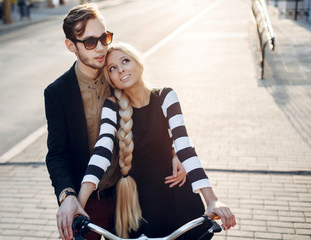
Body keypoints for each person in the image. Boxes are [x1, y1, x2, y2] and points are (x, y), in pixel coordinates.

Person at [44, 4, 186, 240]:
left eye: (104, 37)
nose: (101, 47)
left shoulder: (119, 75)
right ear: (71, 46)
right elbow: (57, 154)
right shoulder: (57, 93)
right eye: (90, 42)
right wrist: (67, 196)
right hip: (87, 201)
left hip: (131, 194)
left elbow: (152, 114)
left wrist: (173, 150)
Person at [78, 42, 237, 239]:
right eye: (112, 68)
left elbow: (183, 144)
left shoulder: (165, 96)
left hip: (175, 198)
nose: (120, 70)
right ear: (110, 78)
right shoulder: (111, 106)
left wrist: (212, 199)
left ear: (139, 64)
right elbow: (102, 150)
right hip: (135, 204)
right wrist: (78, 203)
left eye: (125, 61)